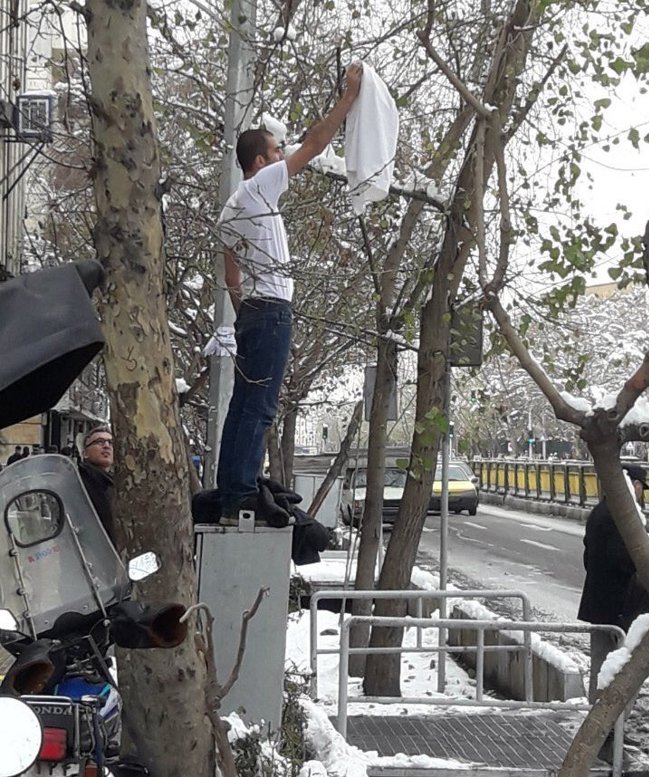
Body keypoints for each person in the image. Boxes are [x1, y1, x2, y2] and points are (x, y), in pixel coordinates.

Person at [215, 63, 363, 520]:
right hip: (273, 309)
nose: (283, 157)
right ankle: (240, 490)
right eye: (276, 151)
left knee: (244, 403)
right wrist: (349, 98)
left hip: (254, 311)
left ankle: (233, 484)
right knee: (260, 406)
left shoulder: (230, 211)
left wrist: (244, 313)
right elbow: (316, 144)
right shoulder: (260, 187)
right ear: (259, 161)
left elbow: (231, 276)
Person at [578, 464, 649, 703]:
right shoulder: (621, 517)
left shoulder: (601, 511)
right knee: (619, 670)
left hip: (601, 605)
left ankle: (603, 727)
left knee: (602, 667)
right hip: (619, 608)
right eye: (640, 487)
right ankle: (609, 732)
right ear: (634, 486)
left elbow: (589, 557)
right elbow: (625, 559)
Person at [78, 425, 115, 543]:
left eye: (111, 442)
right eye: (99, 442)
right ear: (85, 453)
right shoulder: (80, 480)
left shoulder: (112, 482)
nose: (106, 446)